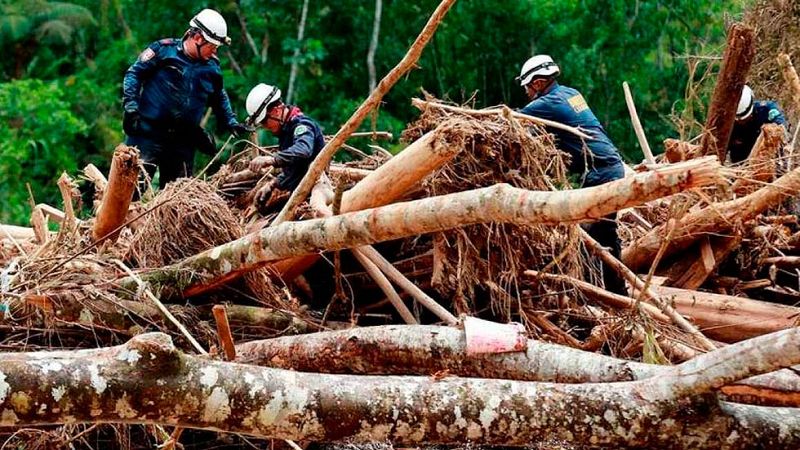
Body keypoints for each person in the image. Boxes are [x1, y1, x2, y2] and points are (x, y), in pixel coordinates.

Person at [516, 54, 626, 295]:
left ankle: (601, 294)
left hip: (600, 173)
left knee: (589, 236)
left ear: (538, 83)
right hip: (610, 167)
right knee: (604, 233)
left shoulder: (546, 104)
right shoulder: (571, 93)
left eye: (527, 86)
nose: (526, 92)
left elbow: (513, 122)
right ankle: (615, 292)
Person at [122, 8, 252, 189]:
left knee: (177, 195)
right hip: (148, 133)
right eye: (212, 46)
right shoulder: (163, 50)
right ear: (197, 38)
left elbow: (218, 96)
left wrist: (230, 121)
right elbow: (134, 74)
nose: (214, 51)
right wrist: (131, 104)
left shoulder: (212, 68)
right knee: (131, 188)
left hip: (182, 141)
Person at [245, 83, 325, 211]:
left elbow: (303, 150)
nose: (265, 127)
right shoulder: (286, 131)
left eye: (264, 121)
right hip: (299, 193)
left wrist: (271, 159)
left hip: (316, 192)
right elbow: (296, 171)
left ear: (276, 111)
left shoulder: (302, 125)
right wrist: (273, 184)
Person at [729, 84, 789, 165]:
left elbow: (781, 126)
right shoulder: (727, 123)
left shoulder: (766, 110)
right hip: (740, 166)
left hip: (770, 161)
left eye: (746, 118)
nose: (742, 121)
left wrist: (771, 131)